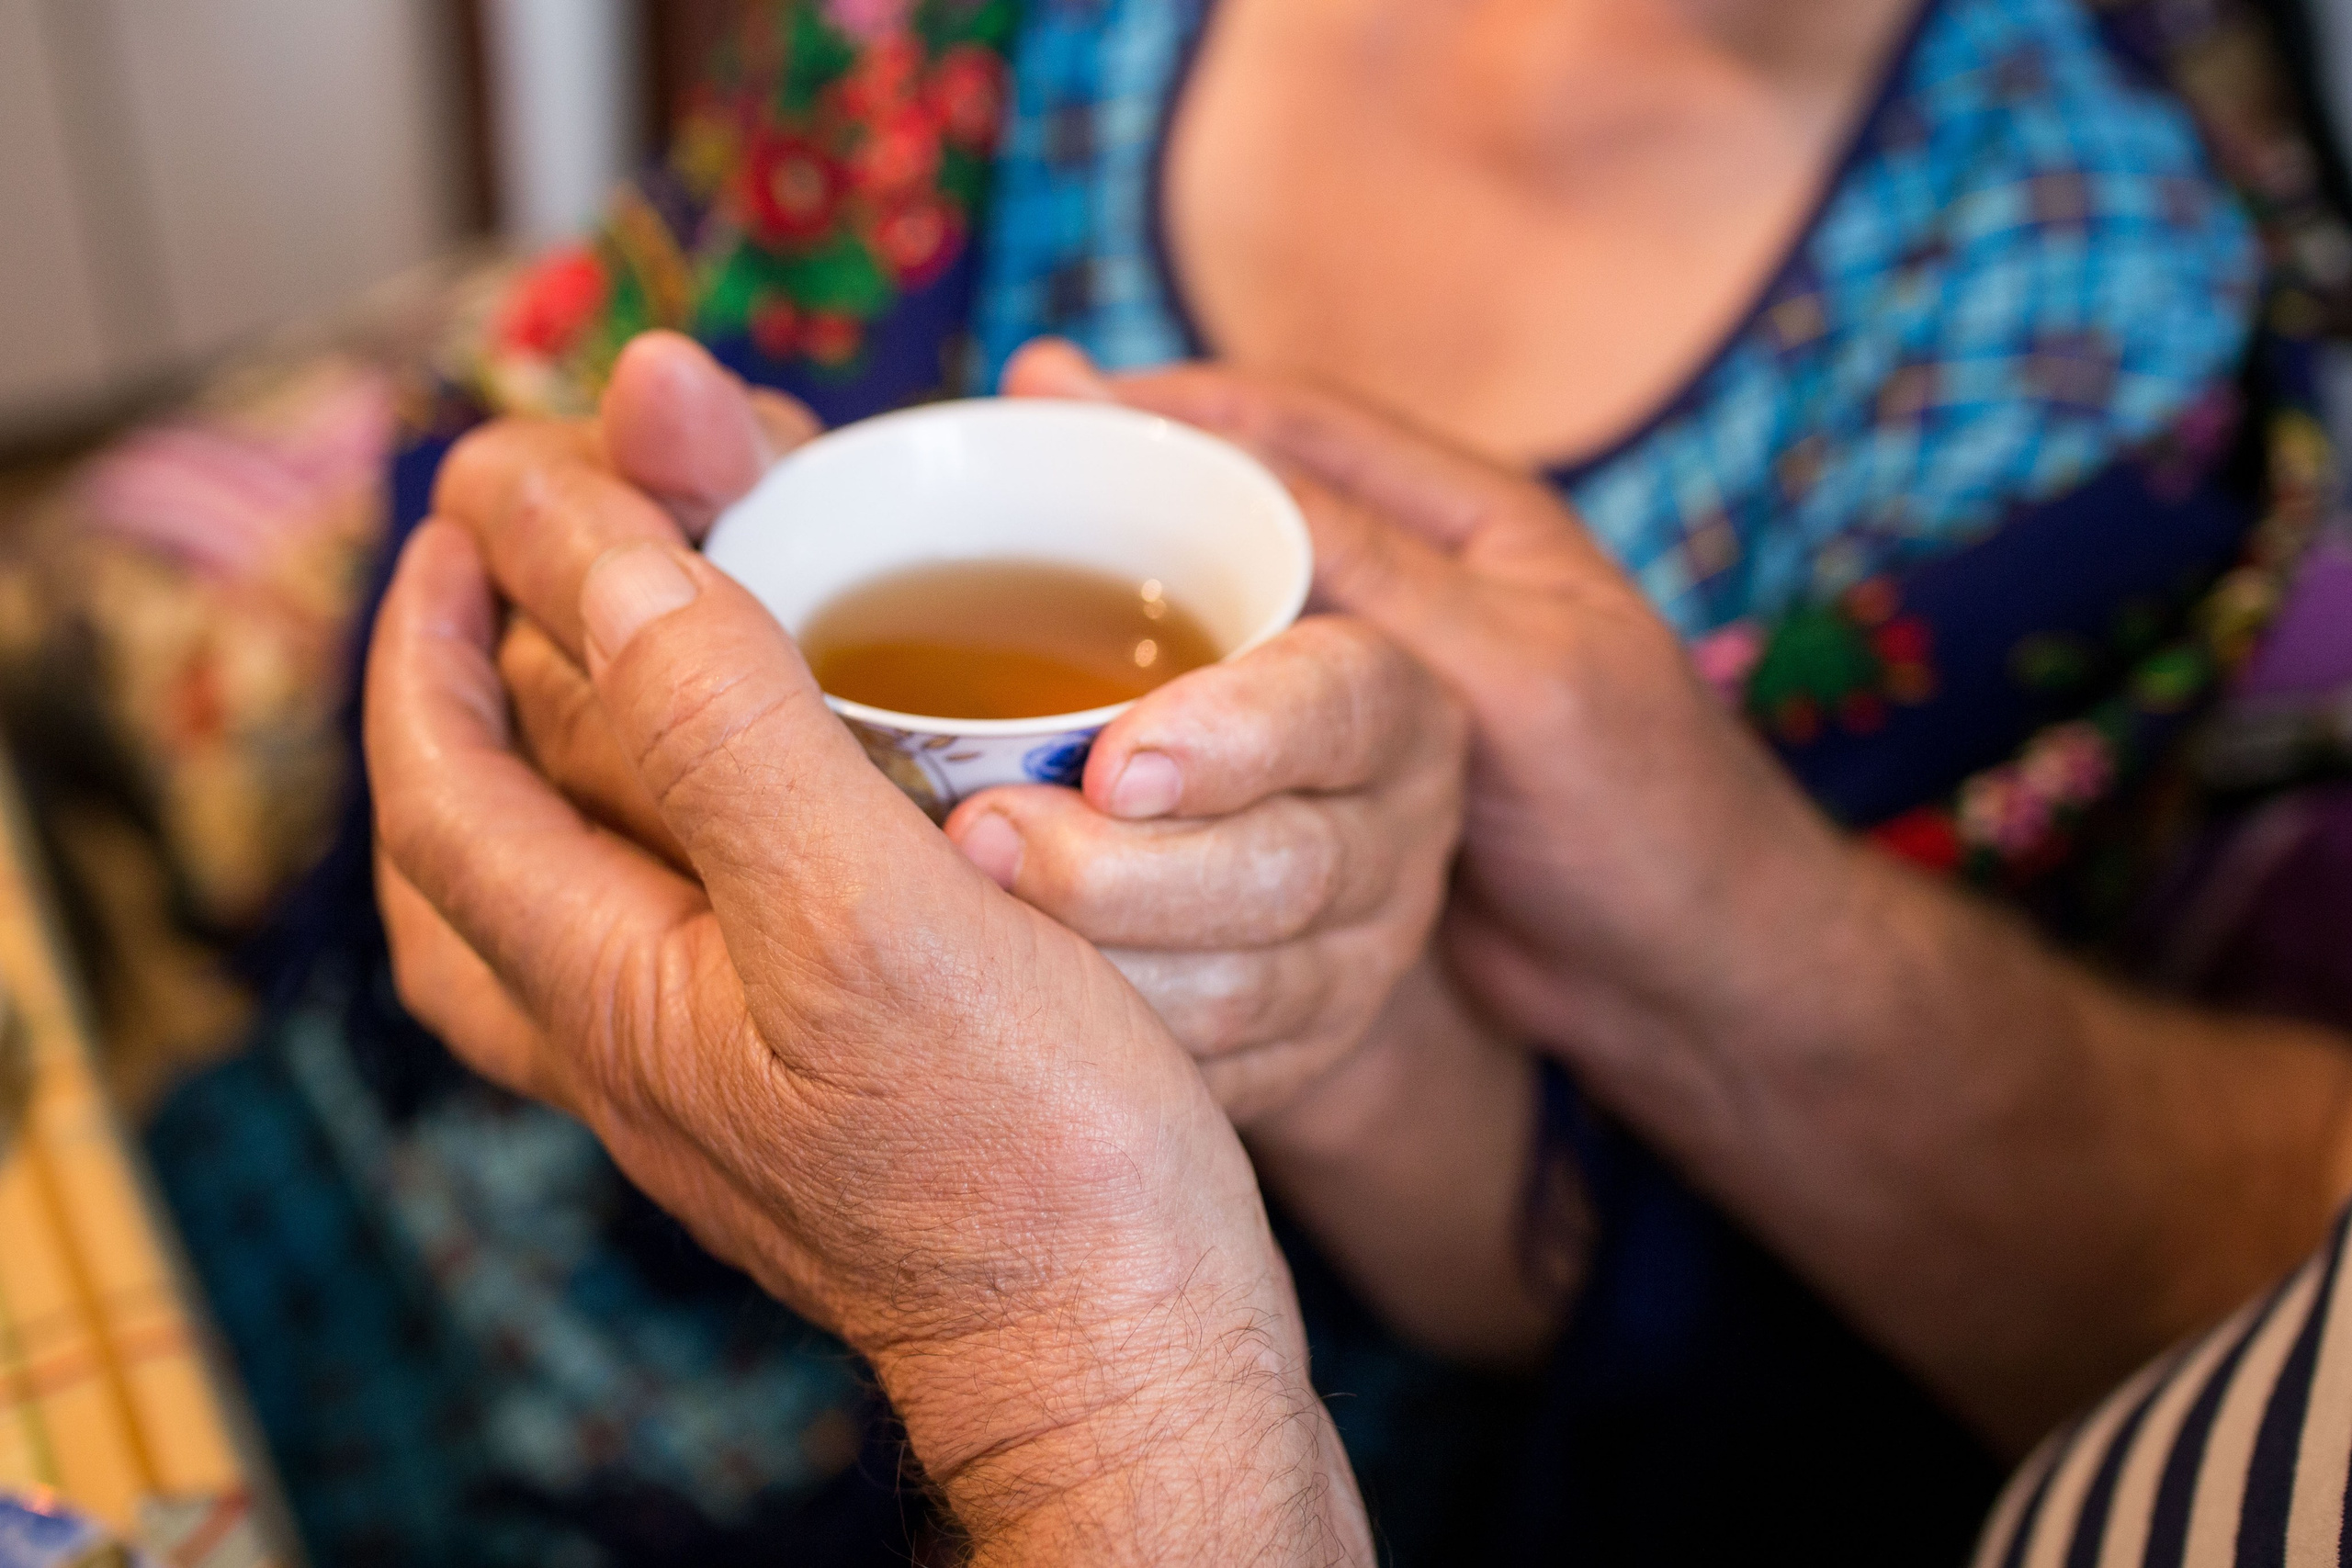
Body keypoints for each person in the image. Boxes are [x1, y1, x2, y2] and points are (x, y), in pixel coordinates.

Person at [159, 0, 2352, 1559]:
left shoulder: (2072, 334)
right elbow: (565, 437)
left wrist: (1342, 1011)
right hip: (463, 1164)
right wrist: (578, 604)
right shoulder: (979, 37)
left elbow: (1734, 1337)